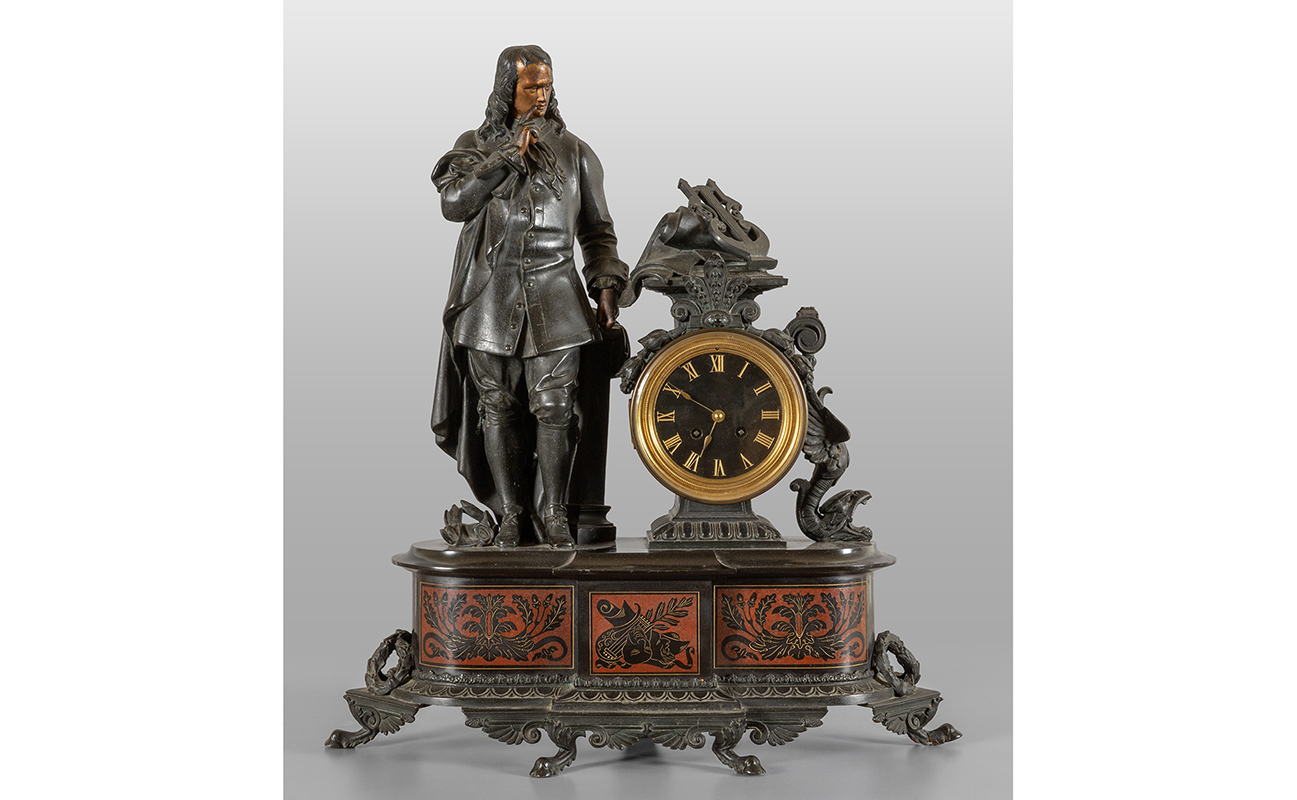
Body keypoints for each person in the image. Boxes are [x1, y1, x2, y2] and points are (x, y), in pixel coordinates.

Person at [430, 45, 627, 549]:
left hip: (556, 297)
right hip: (489, 298)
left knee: (555, 406)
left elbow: (598, 233)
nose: (541, 95)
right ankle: (512, 514)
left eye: (546, 85)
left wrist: (606, 287)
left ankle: (555, 512)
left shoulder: (577, 153)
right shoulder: (474, 146)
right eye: (530, 86)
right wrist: (503, 160)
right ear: (507, 89)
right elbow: (453, 203)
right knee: (496, 406)